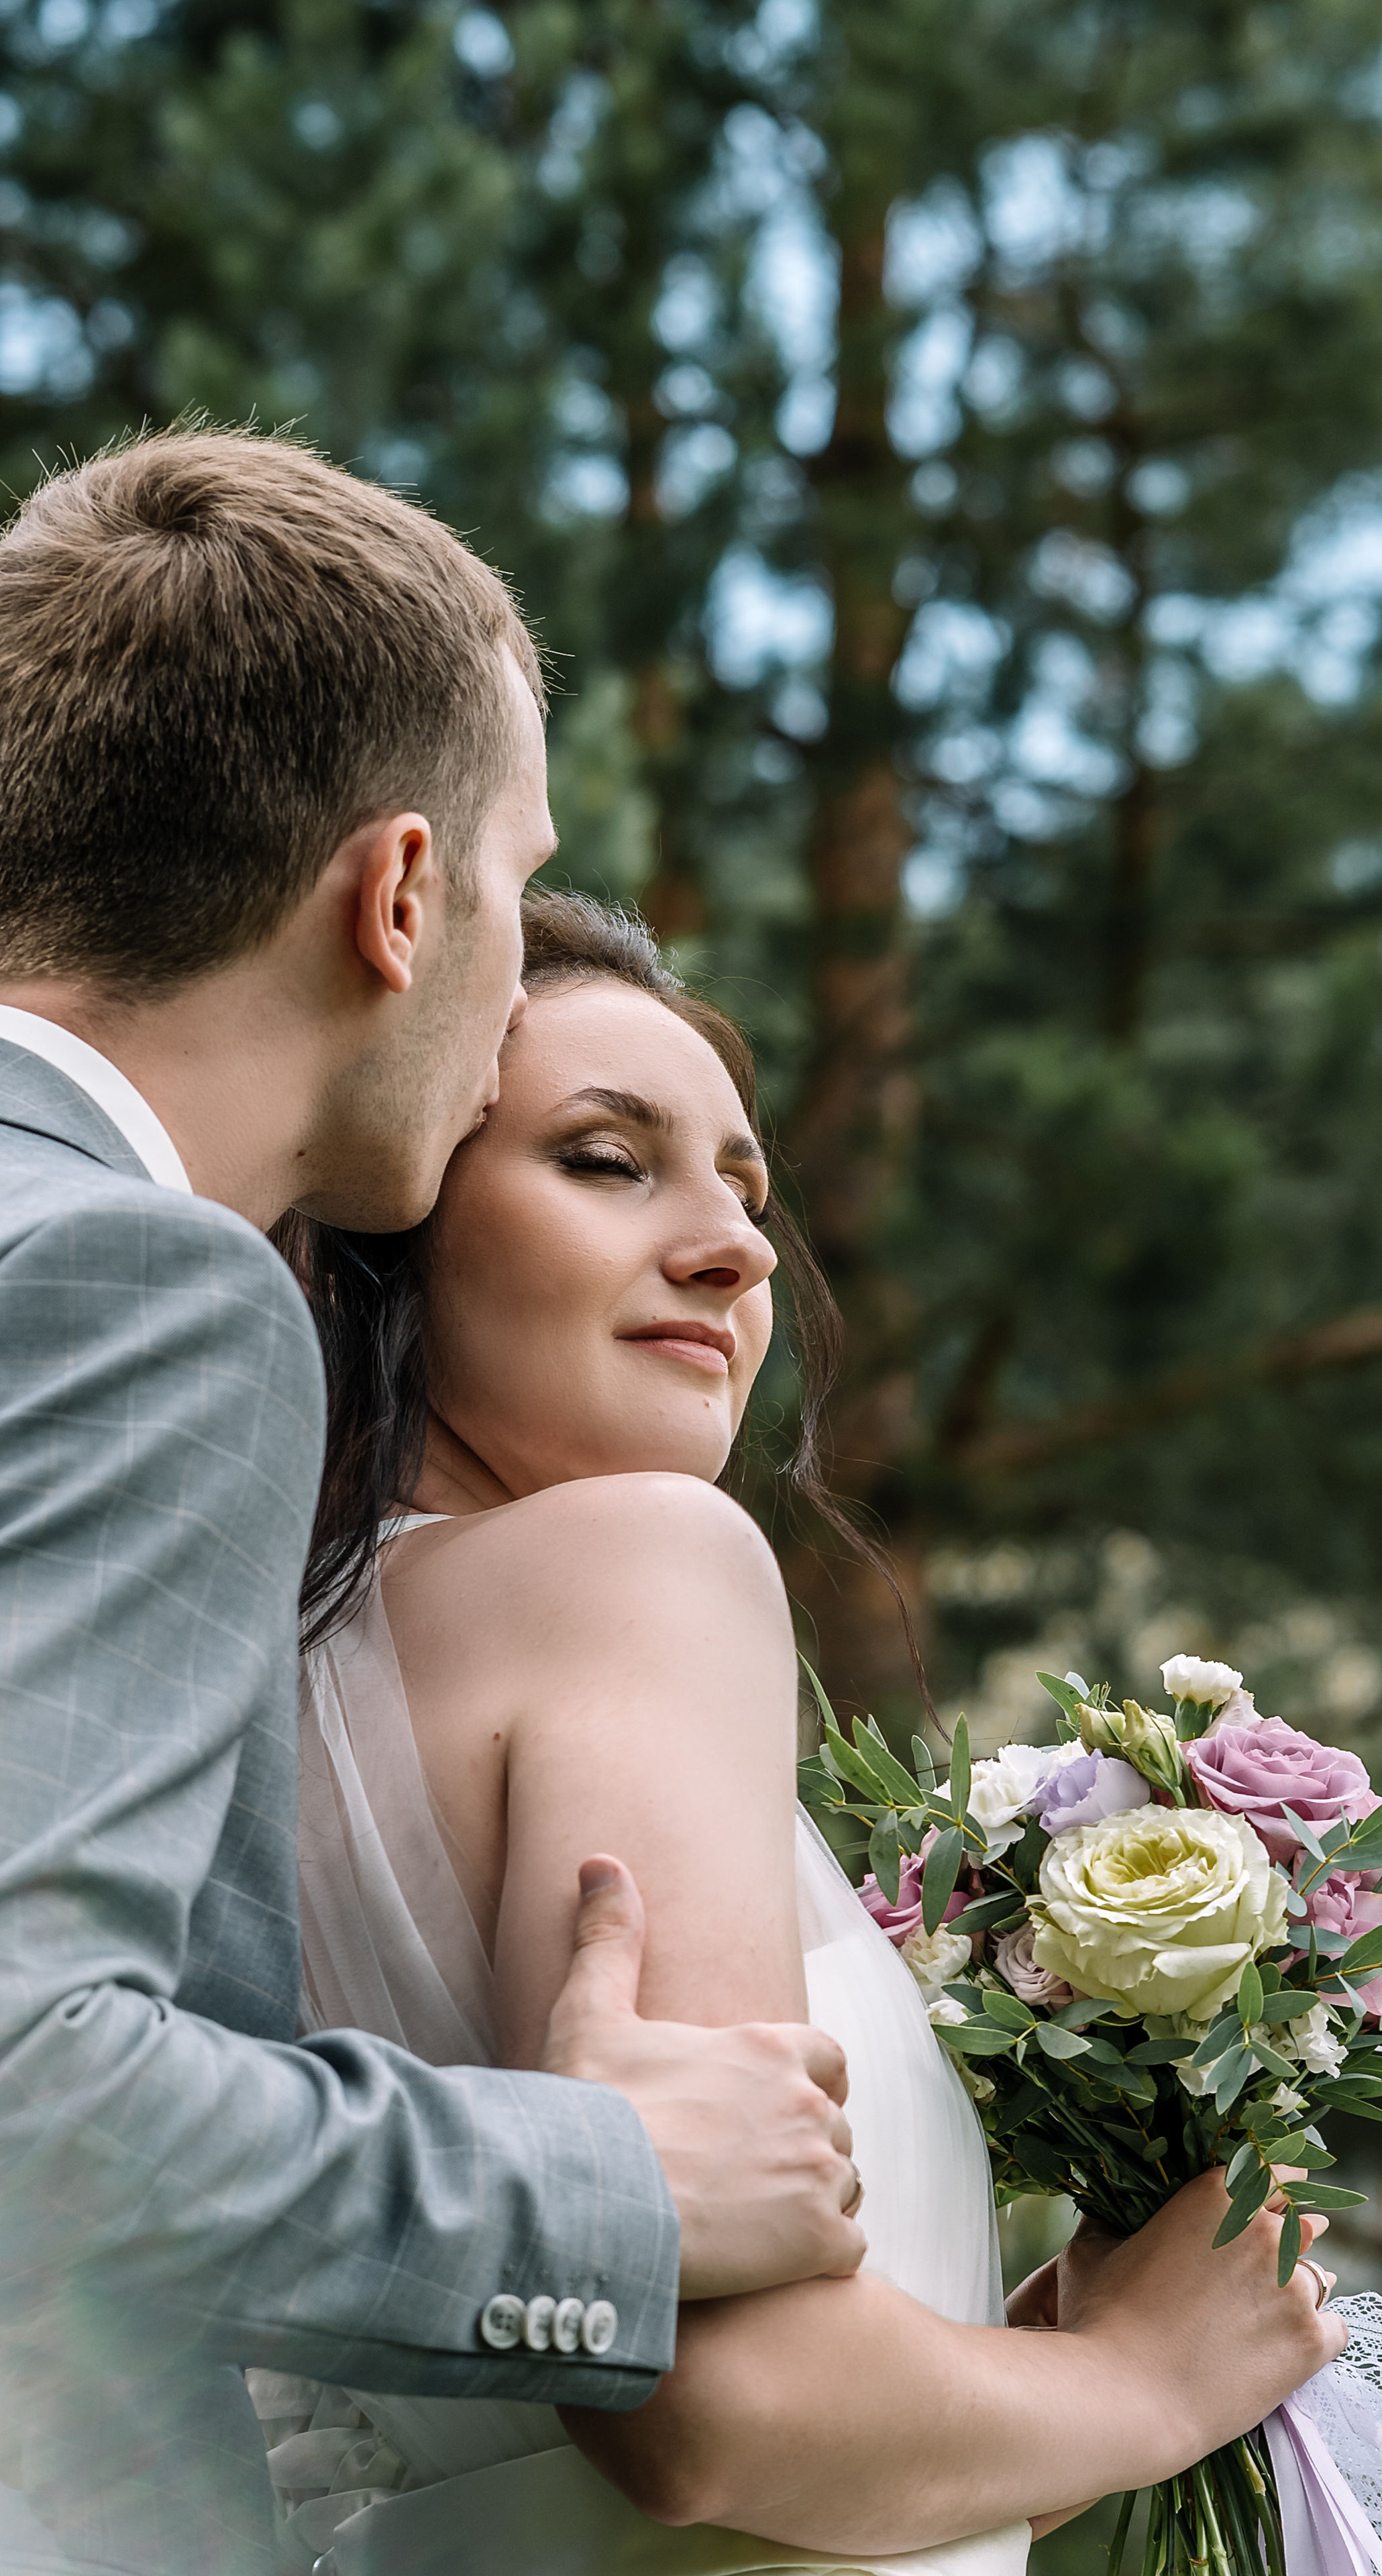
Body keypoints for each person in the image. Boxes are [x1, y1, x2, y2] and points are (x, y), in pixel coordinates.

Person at [0, 432, 863, 2576]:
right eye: (512, 878)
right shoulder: (137, 1284)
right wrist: (611, 2185)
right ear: (400, 901)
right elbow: (25, 2093)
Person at [260, 890, 1347, 2574]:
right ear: (382, 1209)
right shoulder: (638, 1564)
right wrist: (1139, 2386)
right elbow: (715, 2415)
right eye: (608, 1160)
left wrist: (1014, 2369)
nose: (736, 1247)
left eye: (746, 1189)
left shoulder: (261, 1683)